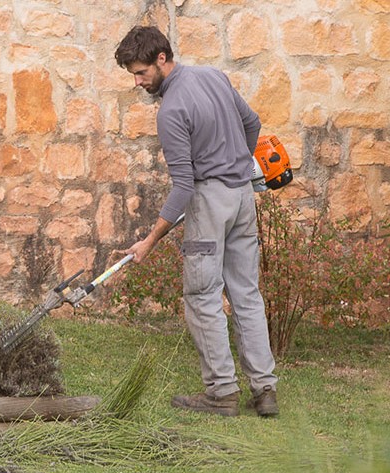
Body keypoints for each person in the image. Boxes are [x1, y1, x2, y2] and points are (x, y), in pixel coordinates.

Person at [113, 25, 279, 417]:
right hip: (242, 198)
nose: (138, 82)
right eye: (133, 75)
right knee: (246, 293)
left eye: (141, 73)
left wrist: (149, 240)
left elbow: (184, 185)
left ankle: (221, 393)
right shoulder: (213, 77)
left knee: (202, 297)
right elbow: (252, 123)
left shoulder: (171, 111)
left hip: (209, 201)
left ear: (161, 58)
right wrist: (242, 164)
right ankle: (265, 391)